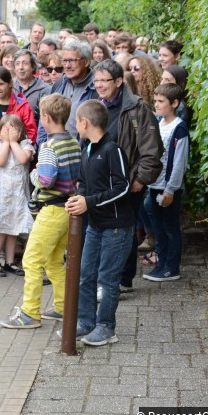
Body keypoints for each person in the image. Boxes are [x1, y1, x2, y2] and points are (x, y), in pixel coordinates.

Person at [0, 94, 81, 329]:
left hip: (51, 210)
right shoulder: (73, 142)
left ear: (45, 117)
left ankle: (30, 312)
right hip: (68, 209)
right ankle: (62, 306)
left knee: (32, 260)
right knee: (55, 260)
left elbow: (45, 179)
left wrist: (34, 174)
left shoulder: (49, 146)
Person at [91, 60, 164, 297]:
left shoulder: (137, 110)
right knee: (107, 231)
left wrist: (140, 180)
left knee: (123, 232)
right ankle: (109, 278)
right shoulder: (97, 105)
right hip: (103, 184)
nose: (99, 85)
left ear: (119, 82)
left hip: (128, 184)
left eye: (104, 81)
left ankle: (121, 280)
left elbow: (152, 150)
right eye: (97, 80)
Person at [65, 100, 133, 346]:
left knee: (108, 278)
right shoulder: (87, 150)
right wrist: (77, 199)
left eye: (77, 120)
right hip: (95, 225)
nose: (75, 124)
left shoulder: (113, 150)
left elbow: (122, 187)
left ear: (84, 122)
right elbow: (83, 184)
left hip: (116, 227)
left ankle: (106, 327)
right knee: (85, 274)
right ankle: (86, 321)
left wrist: (89, 202)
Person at [142, 84, 190, 282]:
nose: (156, 105)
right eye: (155, 101)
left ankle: (172, 267)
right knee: (158, 228)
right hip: (154, 185)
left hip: (168, 187)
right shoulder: (159, 123)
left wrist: (171, 188)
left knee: (170, 228)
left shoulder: (179, 128)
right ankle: (161, 264)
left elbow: (179, 161)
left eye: (161, 101)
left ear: (175, 103)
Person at [0, 115, 34, 276]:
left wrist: (12, 142)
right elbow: (1, 160)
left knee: (14, 228)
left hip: (17, 195)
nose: (9, 132)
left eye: (13, 129)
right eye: (6, 129)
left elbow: (23, 158)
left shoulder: (26, 145)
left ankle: (11, 261)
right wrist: (6, 142)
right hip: (0, 195)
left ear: (21, 132)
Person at [42, 38, 96, 143]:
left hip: (79, 154)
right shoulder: (59, 83)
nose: (67, 65)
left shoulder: (96, 88)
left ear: (86, 62)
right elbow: (45, 115)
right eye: (65, 61)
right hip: (54, 150)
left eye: (72, 61)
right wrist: (43, 144)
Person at [0, 66, 38, 144]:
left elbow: (31, 132)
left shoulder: (22, 105)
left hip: (15, 150)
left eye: (1, 84)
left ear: (10, 83)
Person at [11, 48, 50, 124]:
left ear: (33, 67)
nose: (21, 67)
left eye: (25, 63)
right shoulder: (9, 88)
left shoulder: (45, 90)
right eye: (17, 64)